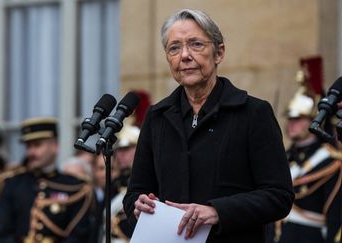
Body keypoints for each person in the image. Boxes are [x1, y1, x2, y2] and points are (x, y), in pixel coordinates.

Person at [122, 9, 294, 242]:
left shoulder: (253, 113)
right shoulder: (157, 117)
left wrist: (217, 212)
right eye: (174, 48)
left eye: (195, 45)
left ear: (219, 53)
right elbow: (136, 191)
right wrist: (138, 206)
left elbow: (279, 196)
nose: (184, 55)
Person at [267, 57, 341, 243]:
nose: (292, 124)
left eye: (298, 119)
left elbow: (335, 215)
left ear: (313, 121)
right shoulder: (283, 156)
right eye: (290, 119)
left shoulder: (331, 161)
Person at [0, 117, 93, 243]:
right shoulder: (13, 184)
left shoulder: (76, 187)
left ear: (55, 146)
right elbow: (2, 232)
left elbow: (79, 235)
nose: (31, 152)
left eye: (37, 145)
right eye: (28, 146)